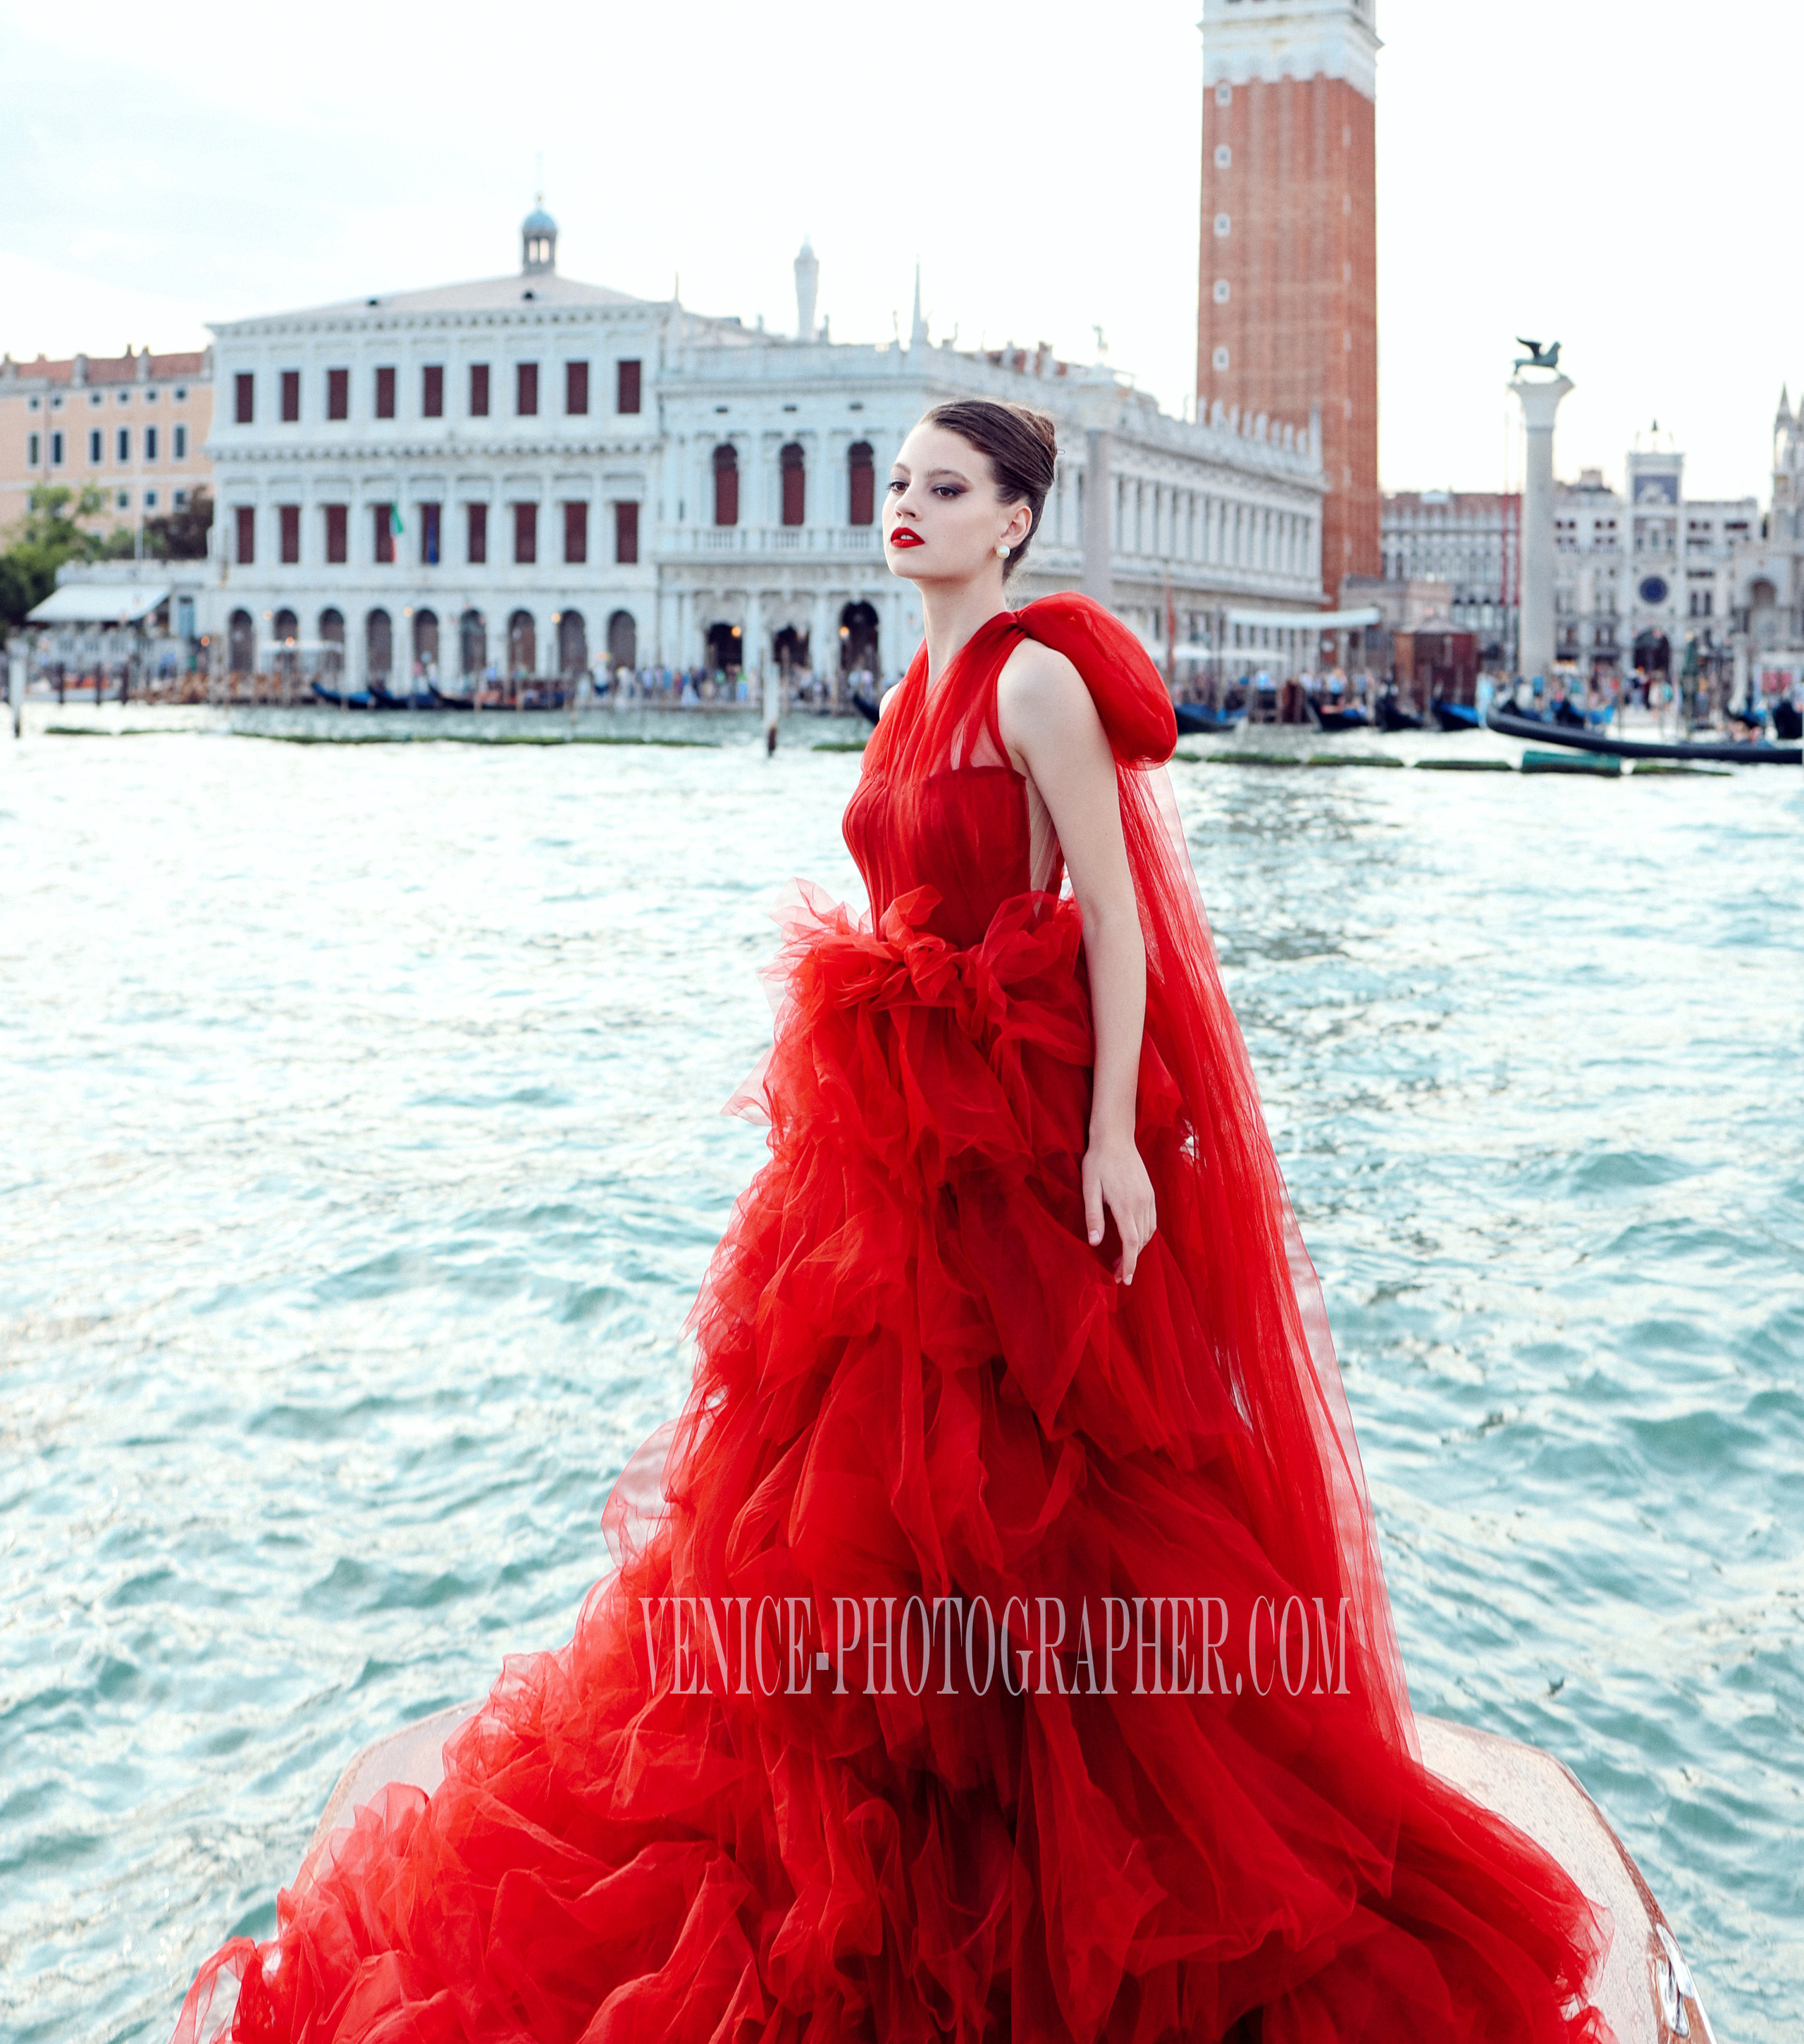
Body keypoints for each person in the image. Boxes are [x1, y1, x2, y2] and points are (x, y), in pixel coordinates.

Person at [173, 396, 1617, 2044]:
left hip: (1008, 1139)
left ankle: (1060, 1866)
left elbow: (1116, 918)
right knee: (844, 1505)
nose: (906, 508)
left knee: (1029, 1502)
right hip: (883, 1145)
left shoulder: (1033, 680)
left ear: (1014, 519)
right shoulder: (899, 692)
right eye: (899, 485)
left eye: (945, 487)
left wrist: (1111, 1137)